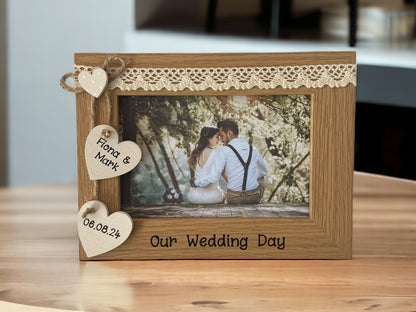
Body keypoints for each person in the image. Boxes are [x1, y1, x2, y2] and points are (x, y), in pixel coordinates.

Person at [191, 118, 268, 204]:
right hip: (253, 197)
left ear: (229, 134)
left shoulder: (223, 151)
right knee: (263, 177)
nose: (221, 140)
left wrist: (196, 182)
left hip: (234, 198)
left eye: (222, 136)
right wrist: (249, 180)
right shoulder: (253, 149)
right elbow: (263, 171)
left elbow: (213, 177)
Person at [187, 126, 226, 204]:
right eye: (217, 137)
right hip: (212, 197)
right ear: (209, 138)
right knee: (226, 194)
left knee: (222, 192)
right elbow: (216, 177)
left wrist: (196, 182)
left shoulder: (196, 153)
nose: (219, 139)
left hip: (194, 197)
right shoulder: (217, 153)